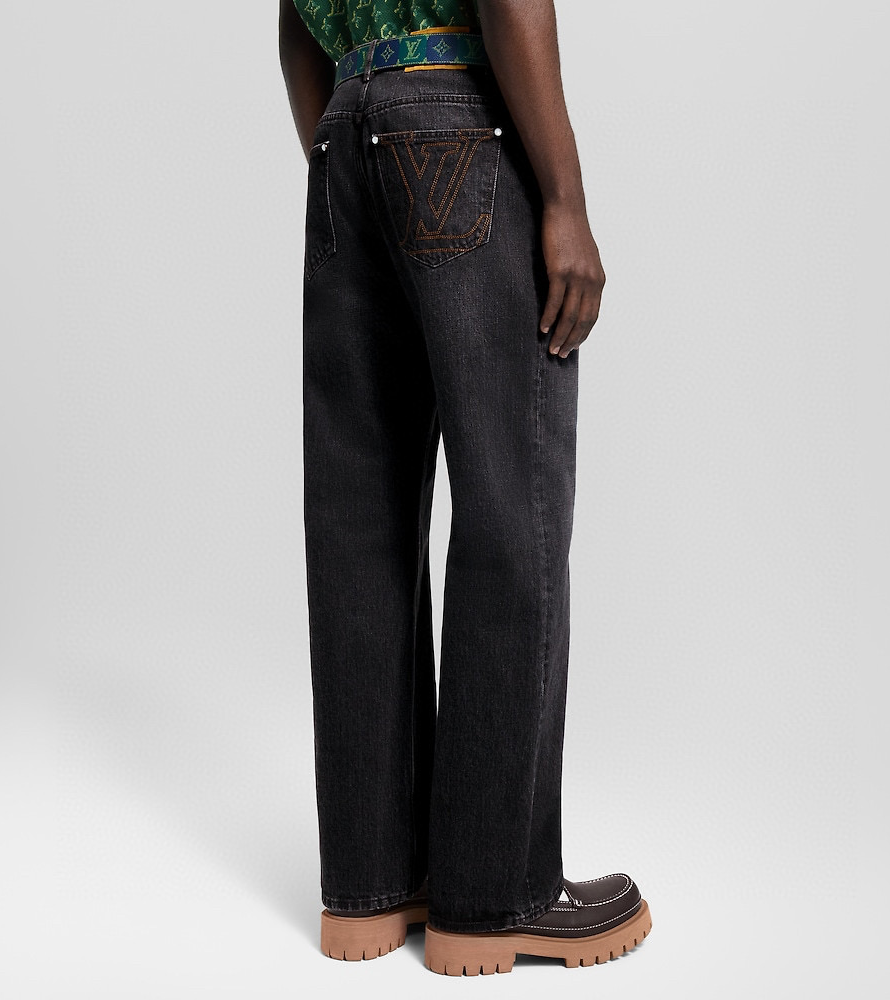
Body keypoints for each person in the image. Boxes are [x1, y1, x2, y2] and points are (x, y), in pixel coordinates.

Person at [277, 0, 652, 976]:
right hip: (454, 121)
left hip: (342, 140)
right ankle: (496, 895)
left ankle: (370, 883)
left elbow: (293, 27)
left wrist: (355, 151)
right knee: (507, 503)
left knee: (358, 519)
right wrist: (565, 200)